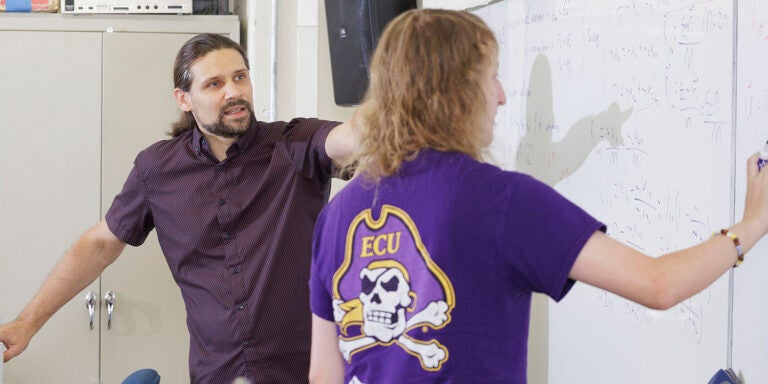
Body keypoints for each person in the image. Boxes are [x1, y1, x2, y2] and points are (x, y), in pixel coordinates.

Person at [307, 9, 768, 384]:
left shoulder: (337, 216)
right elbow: (658, 284)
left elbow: (324, 376)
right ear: (458, 93)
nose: (503, 97)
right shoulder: (499, 201)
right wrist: (751, 224)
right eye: (492, 77)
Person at [0, 33, 355, 383]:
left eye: (240, 77)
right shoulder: (157, 169)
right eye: (214, 84)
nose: (234, 92)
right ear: (184, 99)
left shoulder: (296, 144)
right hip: (216, 373)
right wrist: (26, 324)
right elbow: (99, 244)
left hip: (306, 372)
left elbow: (355, 138)